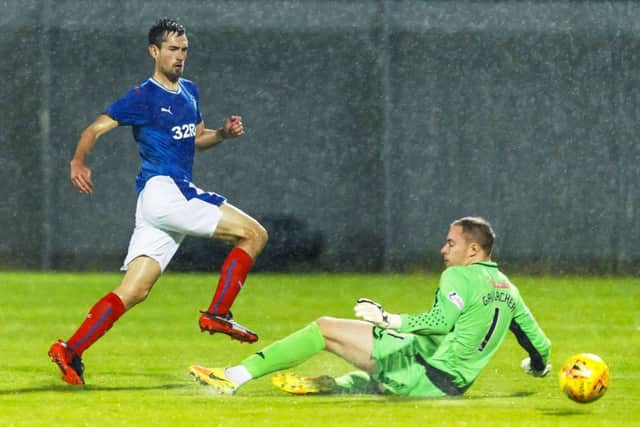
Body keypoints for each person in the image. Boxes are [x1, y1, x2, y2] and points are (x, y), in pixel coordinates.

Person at [48, 18, 268, 386]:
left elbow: (196, 138)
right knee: (254, 234)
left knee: (135, 290)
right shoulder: (143, 97)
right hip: (165, 190)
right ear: (154, 51)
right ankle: (218, 313)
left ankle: (71, 349)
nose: (179, 56)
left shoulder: (190, 92)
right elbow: (94, 129)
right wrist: (78, 161)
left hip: (159, 203)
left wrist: (223, 134)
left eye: (183, 49)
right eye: (172, 49)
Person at [189, 216, 551, 397]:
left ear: (473, 250)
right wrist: (537, 368)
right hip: (448, 387)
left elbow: (441, 322)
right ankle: (340, 385)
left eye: (451, 243)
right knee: (393, 358)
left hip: (421, 376)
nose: (444, 249)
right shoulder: (509, 289)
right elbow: (540, 346)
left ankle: (232, 378)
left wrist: (389, 318)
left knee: (325, 327)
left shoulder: (459, 276)